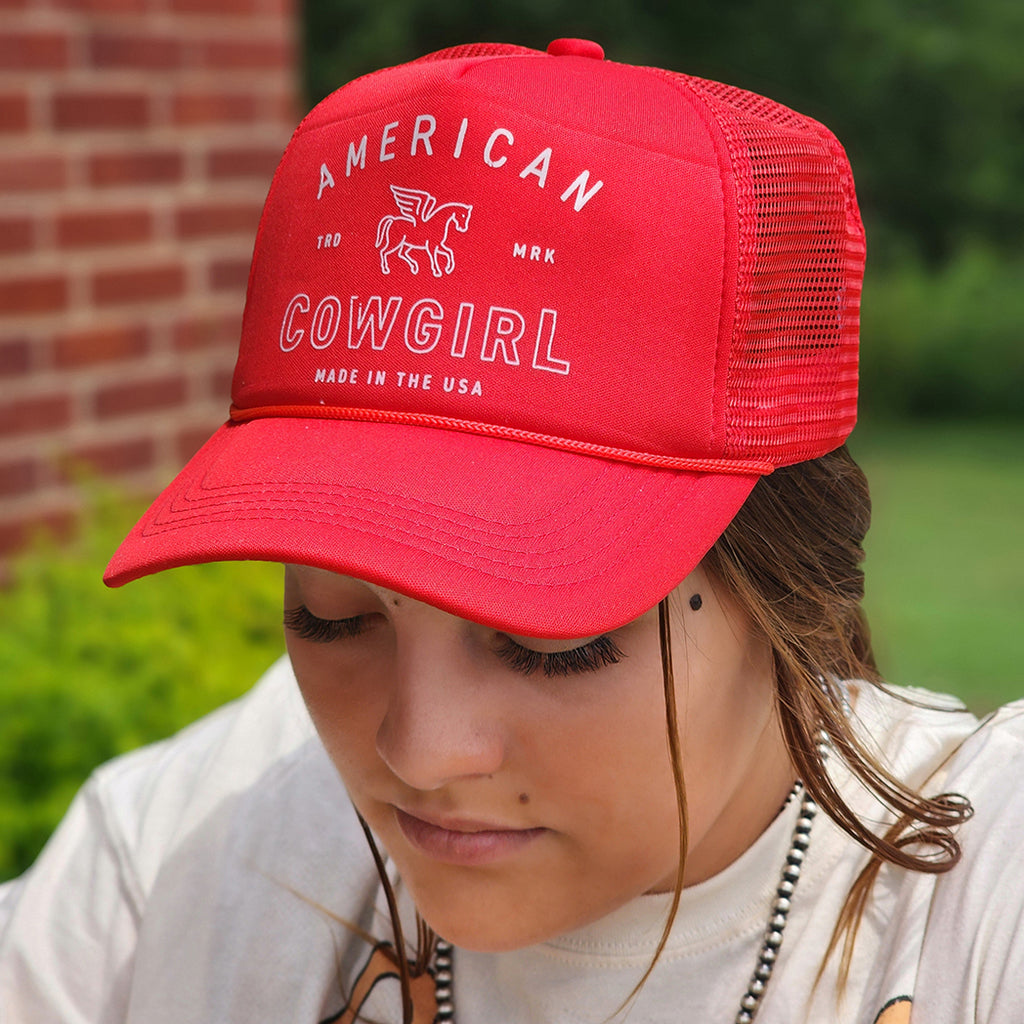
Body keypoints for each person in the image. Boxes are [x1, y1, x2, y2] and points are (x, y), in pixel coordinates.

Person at [1, 37, 1022, 1024]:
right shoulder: (172, 852)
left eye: (550, 645)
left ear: (787, 588)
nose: (421, 750)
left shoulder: (980, 898)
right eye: (334, 615)